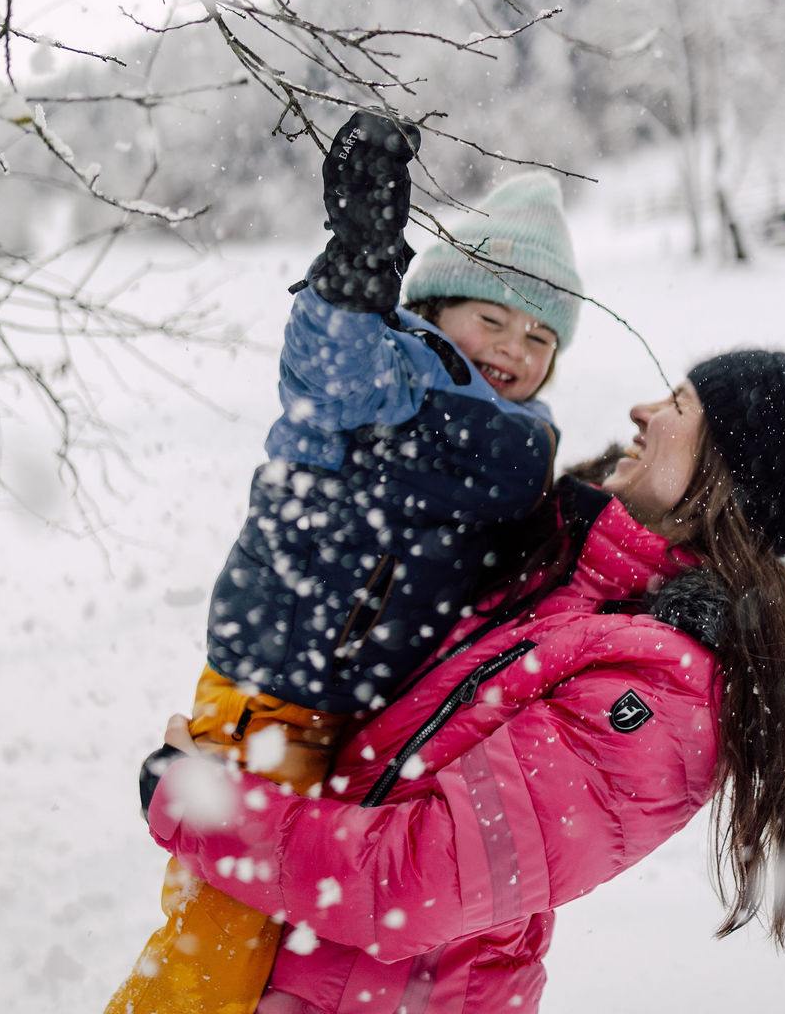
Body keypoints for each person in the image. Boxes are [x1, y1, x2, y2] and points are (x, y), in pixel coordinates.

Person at [139, 349, 785, 1014]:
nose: (643, 411)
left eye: (678, 405)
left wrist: (202, 805)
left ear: (729, 477)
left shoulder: (671, 699)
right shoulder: (574, 574)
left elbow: (414, 881)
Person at [105, 111, 584, 1014]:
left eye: (540, 338)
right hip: (278, 678)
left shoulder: (528, 442)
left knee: (308, 927)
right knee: (223, 930)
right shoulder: (390, 366)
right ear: (438, 308)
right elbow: (327, 360)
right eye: (494, 319)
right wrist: (358, 261)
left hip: (376, 712)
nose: (515, 352)